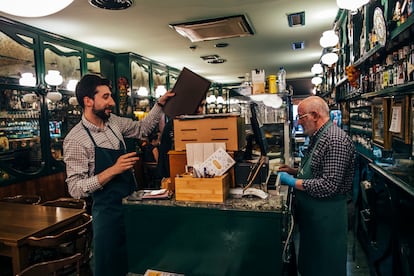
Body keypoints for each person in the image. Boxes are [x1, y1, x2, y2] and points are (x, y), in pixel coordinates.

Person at [63, 74, 174, 276]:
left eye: (111, 96)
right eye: (105, 97)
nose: (112, 102)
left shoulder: (113, 122)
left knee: (135, 264)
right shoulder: (76, 140)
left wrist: (160, 104)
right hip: (107, 216)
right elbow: (75, 189)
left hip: (131, 208)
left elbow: (142, 128)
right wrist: (113, 170)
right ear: (88, 101)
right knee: (110, 267)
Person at [277, 96, 356, 276]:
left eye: (301, 117)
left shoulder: (335, 140)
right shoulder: (319, 136)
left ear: (314, 115)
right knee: (311, 265)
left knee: (326, 266)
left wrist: (292, 182)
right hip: (315, 216)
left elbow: (328, 185)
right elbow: (317, 168)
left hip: (327, 216)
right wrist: (294, 171)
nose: (299, 122)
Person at [157, 99, 206, 178]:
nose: (199, 109)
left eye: (202, 106)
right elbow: (164, 154)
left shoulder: (205, 123)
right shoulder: (173, 124)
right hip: (176, 173)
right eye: (197, 105)